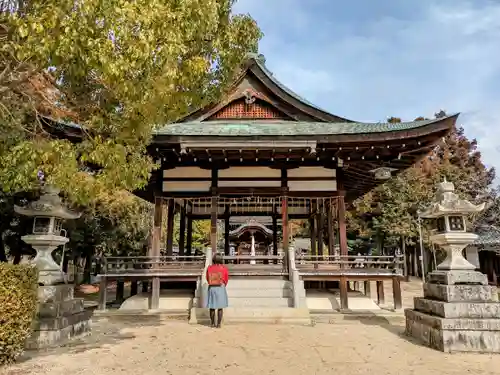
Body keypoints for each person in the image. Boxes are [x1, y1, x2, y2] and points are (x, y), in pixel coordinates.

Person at [206, 254, 229, 328]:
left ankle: (212, 323)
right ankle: (218, 324)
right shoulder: (224, 268)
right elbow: (226, 278)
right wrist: (223, 284)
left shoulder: (209, 268)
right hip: (220, 287)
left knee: (212, 306)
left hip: (212, 287)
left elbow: (207, 278)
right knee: (220, 307)